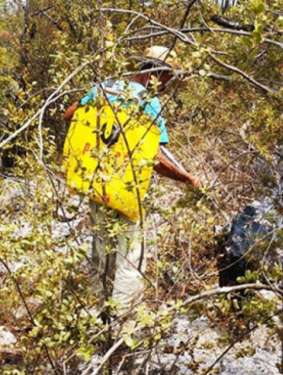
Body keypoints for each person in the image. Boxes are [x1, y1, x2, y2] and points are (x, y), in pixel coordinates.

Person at [64, 46, 202, 319]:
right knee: (131, 258)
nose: (167, 85)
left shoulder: (106, 88)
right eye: (168, 78)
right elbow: (155, 160)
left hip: (97, 183)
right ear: (158, 74)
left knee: (101, 252)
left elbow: (69, 115)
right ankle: (123, 324)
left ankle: (94, 315)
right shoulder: (149, 103)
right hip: (127, 192)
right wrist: (186, 178)